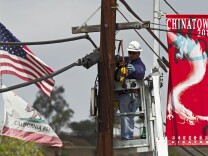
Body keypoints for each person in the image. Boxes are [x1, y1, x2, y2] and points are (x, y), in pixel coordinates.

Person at [117, 41, 146, 140]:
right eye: (129, 52)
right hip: (125, 94)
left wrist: (134, 70)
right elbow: (118, 59)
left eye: (134, 53)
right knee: (126, 116)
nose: (131, 55)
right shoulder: (127, 60)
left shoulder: (139, 64)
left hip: (133, 95)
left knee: (127, 115)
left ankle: (127, 137)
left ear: (138, 53)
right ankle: (127, 136)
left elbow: (141, 73)